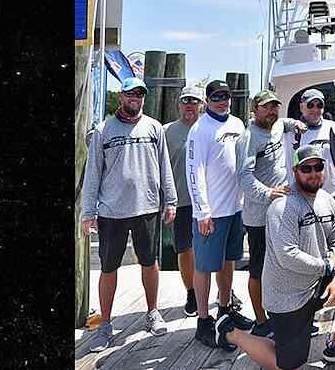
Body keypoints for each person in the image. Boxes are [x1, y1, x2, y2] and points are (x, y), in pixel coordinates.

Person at [214, 145, 335, 369]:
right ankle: (229, 332)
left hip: (318, 280)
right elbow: (287, 256)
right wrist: (330, 267)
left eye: (318, 167)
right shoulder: (282, 206)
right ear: (294, 171)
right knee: (288, 364)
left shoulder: (327, 200)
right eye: (306, 168)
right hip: (288, 296)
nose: (313, 173)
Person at [81, 77, 178, 352]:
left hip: (147, 207)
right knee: (109, 267)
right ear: (121, 96)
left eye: (140, 94)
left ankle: (152, 312)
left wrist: (170, 200)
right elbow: (92, 175)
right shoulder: (103, 130)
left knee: (150, 262)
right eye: (130, 93)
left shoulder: (154, 128)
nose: (135, 97)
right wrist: (89, 212)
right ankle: (106, 324)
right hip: (111, 212)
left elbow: (165, 168)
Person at [186, 80, 255, 348]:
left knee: (229, 262)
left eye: (225, 96)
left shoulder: (238, 124)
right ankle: (203, 321)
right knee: (204, 266)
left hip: (235, 209)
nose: (222, 100)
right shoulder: (200, 129)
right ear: (207, 100)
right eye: (216, 96)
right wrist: (202, 211)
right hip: (211, 214)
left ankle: (225, 309)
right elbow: (194, 172)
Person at [236, 90, 306, 338]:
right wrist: (268, 193)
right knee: (258, 270)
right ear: (254, 109)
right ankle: (261, 321)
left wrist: (295, 122)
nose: (271, 112)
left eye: (275, 107)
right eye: (266, 107)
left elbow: (286, 123)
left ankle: (286, 315)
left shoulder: (278, 125)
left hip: (282, 212)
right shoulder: (248, 138)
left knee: (285, 265)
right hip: (258, 217)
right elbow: (244, 177)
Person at [284, 88, 335, 262]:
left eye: (319, 105)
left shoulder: (333, 127)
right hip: (306, 196)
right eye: (310, 105)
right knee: (314, 244)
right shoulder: (291, 131)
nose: (315, 109)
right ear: (302, 107)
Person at [163, 85, 203, 317]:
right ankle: (191, 292)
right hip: (181, 202)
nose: (189, 105)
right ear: (179, 104)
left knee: (213, 251)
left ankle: (222, 293)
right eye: (185, 101)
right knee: (185, 249)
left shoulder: (209, 127)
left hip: (209, 202)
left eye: (194, 101)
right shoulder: (166, 131)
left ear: (202, 105)